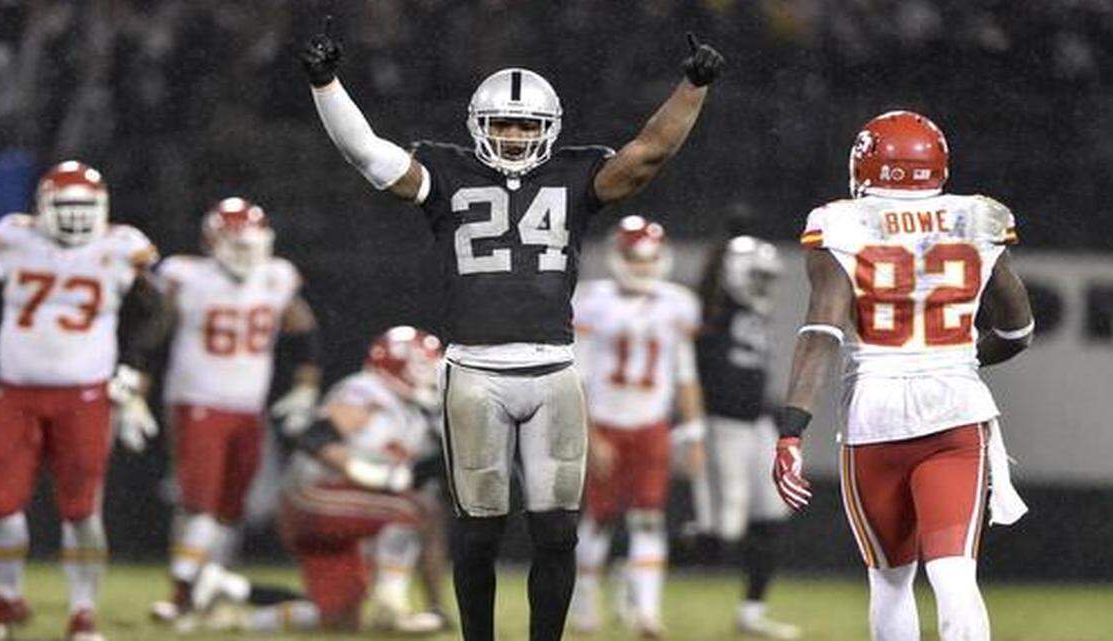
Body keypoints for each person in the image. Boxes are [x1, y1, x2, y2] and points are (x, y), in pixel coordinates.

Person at [297, 19, 725, 641]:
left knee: (558, 531)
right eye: (504, 123)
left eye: (527, 125)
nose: (515, 135)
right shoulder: (446, 173)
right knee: (479, 529)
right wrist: (326, 84)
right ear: (478, 125)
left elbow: (646, 156)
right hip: (474, 369)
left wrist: (692, 88)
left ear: (548, 130)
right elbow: (367, 153)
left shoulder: (577, 175)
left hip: (553, 368)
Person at [771, 111, 1034, 641]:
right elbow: (1017, 330)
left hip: (875, 413)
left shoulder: (841, 221)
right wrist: (960, 361)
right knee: (955, 573)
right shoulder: (978, 216)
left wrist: (791, 429)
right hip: (956, 409)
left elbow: (822, 330)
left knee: (890, 581)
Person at [0, 161, 167, 641]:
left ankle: (83, 613)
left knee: (82, 510)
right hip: (15, 393)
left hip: (85, 395)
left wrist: (134, 368)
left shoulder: (121, 248)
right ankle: (7, 601)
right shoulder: (13, 240)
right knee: (0, 505)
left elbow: (157, 311)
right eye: (66, 206)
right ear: (42, 208)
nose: (78, 217)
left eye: (85, 207)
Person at [184, 326, 447, 634]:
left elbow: (423, 475)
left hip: (342, 511)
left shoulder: (417, 416)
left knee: (341, 619)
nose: (431, 375)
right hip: (312, 497)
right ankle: (392, 602)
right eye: (424, 365)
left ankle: (231, 603)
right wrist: (363, 471)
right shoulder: (369, 392)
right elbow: (315, 437)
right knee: (415, 507)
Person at [149, 197, 322, 620]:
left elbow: (302, 326)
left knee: (230, 507)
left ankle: (208, 583)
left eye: (251, 242)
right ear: (213, 240)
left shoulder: (276, 276)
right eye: (235, 242)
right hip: (196, 401)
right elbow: (152, 333)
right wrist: (135, 381)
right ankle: (182, 593)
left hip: (248, 406)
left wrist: (306, 385)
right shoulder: (186, 275)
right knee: (199, 503)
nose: (244, 251)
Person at [567, 215, 705, 637]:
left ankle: (645, 610)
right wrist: (589, 432)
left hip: (650, 425)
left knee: (648, 518)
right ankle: (584, 602)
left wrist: (694, 433)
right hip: (606, 422)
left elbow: (684, 374)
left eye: (649, 259)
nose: (643, 267)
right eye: (635, 259)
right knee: (598, 519)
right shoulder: (593, 300)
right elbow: (578, 373)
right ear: (618, 258)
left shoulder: (677, 303)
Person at [693, 234, 800, 639]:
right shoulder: (712, 310)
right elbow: (708, 288)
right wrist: (724, 248)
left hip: (756, 423)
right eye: (755, 274)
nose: (762, 283)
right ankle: (637, 568)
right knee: (726, 531)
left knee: (772, 516)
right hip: (722, 424)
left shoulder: (756, 314)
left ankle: (752, 612)